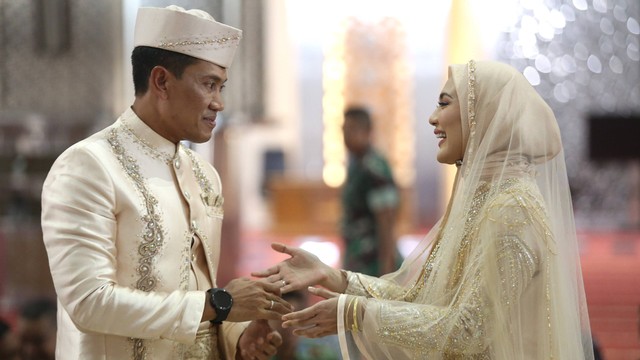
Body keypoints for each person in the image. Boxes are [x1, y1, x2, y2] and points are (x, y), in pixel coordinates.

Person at [254, 60, 595, 359]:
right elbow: (423, 299)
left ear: (484, 114)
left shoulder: (512, 208)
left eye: (444, 104)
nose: (432, 118)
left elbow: (469, 329)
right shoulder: (488, 198)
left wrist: (354, 313)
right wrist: (336, 278)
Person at [41, 5, 290, 359]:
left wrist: (237, 336)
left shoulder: (203, 175)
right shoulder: (88, 166)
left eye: (221, 86)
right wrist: (221, 304)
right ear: (161, 81)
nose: (219, 102)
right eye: (209, 85)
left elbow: (200, 290)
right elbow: (89, 302)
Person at [341, 107, 400, 276]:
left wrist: (386, 270)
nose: (346, 136)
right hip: (357, 255)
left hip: (373, 261)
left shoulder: (374, 168)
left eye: (352, 129)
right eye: (344, 130)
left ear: (367, 131)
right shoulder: (356, 163)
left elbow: (386, 220)